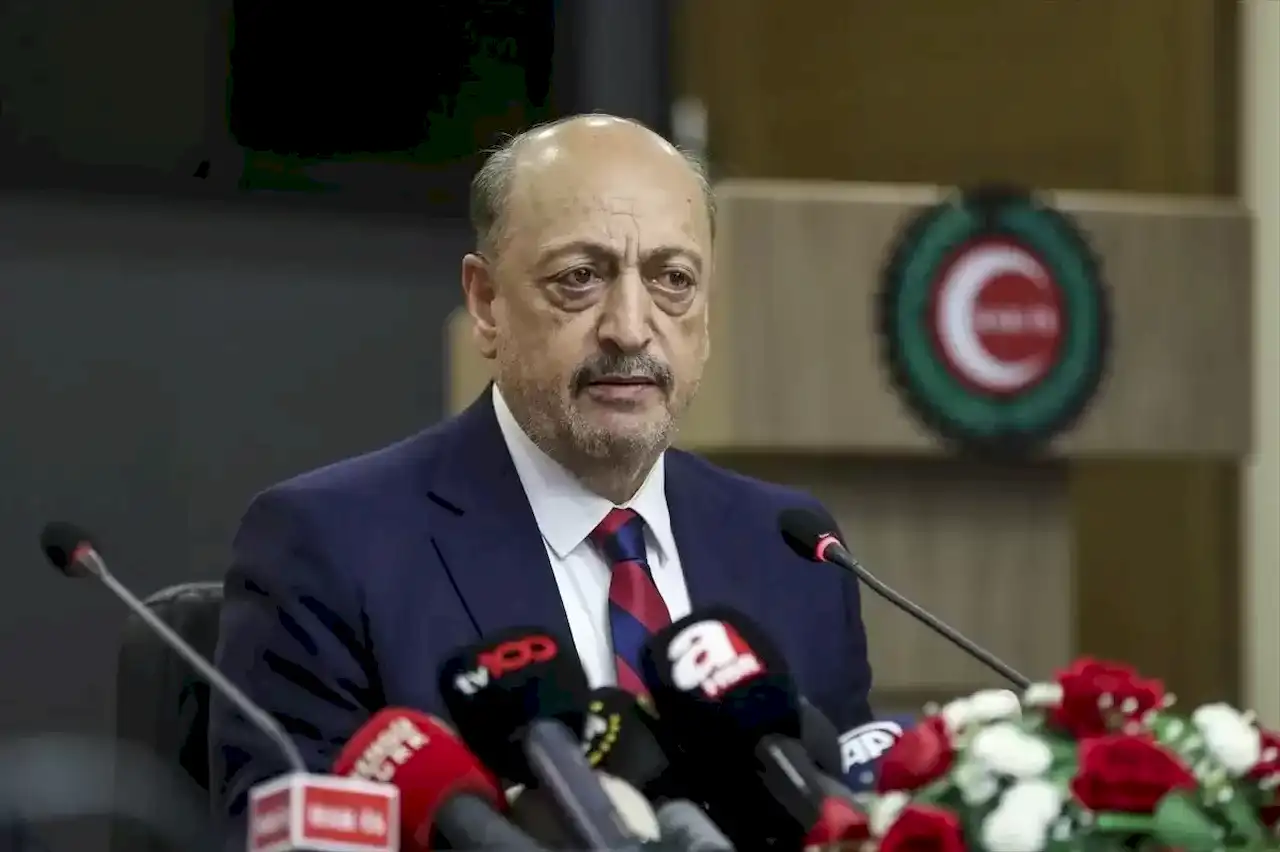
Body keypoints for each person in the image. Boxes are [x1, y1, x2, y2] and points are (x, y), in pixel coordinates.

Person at [208, 114, 872, 821]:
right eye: (580, 278)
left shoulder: (791, 550)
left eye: (673, 279)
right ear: (486, 303)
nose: (630, 328)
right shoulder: (333, 546)